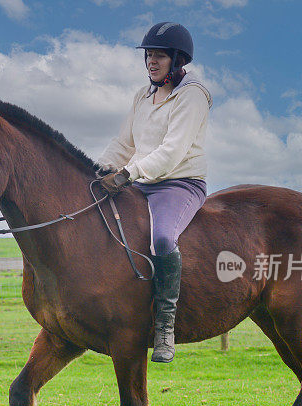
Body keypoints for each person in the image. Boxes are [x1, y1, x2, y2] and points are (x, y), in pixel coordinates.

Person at [95, 22, 212, 363]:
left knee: (162, 238)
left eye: (159, 55)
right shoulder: (142, 96)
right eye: (149, 55)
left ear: (177, 60)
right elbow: (124, 143)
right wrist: (101, 167)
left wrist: (129, 172)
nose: (151, 61)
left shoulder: (193, 95)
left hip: (178, 183)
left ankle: (164, 325)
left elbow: (172, 151)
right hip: (140, 181)